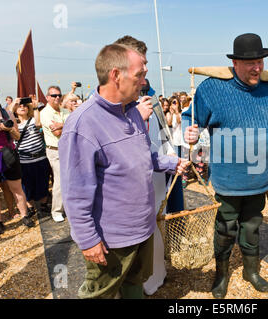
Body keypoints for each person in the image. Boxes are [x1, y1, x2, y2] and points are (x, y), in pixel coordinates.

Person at [59, 43, 189, 299]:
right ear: (116, 75)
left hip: (143, 227)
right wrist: (88, 240)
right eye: (139, 75)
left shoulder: (132, 113)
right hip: (111, 239)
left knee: (134, 285)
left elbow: (142, 158)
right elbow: (75, 191)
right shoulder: (83, 124)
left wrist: (170, 163)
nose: (144, 82)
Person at [183, 33, 268, 299]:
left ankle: (251, 271)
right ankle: (222, 274)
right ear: (235, 63)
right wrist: (189, 133)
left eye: (260, 61)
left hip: (259, 177)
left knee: (252, 225)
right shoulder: (212, 88)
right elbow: (188, 118)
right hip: (228, 180)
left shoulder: (266, 87)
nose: (257, 67)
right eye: (251, 62)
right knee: (226, 229)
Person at [0, 84, 34, 235]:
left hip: (9, 154)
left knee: (16, 187)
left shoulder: (7, 113)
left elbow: (17, 136)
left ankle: (25, 216)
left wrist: (9, 129)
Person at [12, 95, 50, 218]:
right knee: (27, 185)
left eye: (24, 105)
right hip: (24, 161)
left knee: (43, 182)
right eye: (19, 105)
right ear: (15, 110)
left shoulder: (34, 120)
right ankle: (30, 206)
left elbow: (39, 124)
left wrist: (35, 107)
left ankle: (43, 205)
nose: (22, 107)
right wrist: (13, 104)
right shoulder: (13, 125)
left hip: (40, 158)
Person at [40, 86, 70, 222]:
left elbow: (76, 126)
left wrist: (62, 125)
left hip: (69, 149)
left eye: (59, 95)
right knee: (59, 181)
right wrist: (67, 125)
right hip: (55, 151)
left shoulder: (65, 110)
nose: (57, 97)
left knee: (70, 180)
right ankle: (56, 210)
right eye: (53, 95)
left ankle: (68, 208)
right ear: (47, 97)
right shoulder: (45, 113)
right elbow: (57, 132)